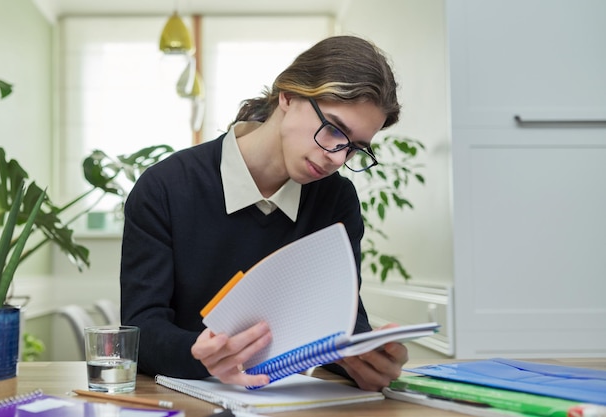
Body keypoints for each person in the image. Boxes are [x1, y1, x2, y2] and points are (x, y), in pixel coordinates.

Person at [120, 35, 408, 392]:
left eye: (354, 148)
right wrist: (197, 352)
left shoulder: (336, 199)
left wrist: (365, 358)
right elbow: (140, 329)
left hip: (288, 402)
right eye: (333, 129)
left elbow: (342, 320)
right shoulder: (164, 188)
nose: (337, 158)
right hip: (184, 400)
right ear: (287, 96)